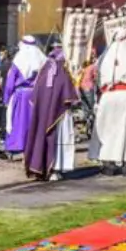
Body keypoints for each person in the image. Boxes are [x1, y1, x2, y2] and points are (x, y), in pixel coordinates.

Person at [24, 42, 79, 181]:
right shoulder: (63, 70)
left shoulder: (44, 69)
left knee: (42, 135)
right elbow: (69, 96)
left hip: (42, 112)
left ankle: (42, 167)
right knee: (58, 137)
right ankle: (54, 168)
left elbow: (36, 94)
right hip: (58, 113)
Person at [94, 29, 126, 176]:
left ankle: (108, 163)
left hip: (109, 96)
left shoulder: (104, 59)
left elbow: (98, 80)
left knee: (109, 129)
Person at [3, 35, 45, 158]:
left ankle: (16, 146)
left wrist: (6, 98)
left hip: (21, 95)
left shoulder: (19, 59)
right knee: (33, 120)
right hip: (36, 94)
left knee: (18, 121)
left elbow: (10, 81)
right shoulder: (42, 58)